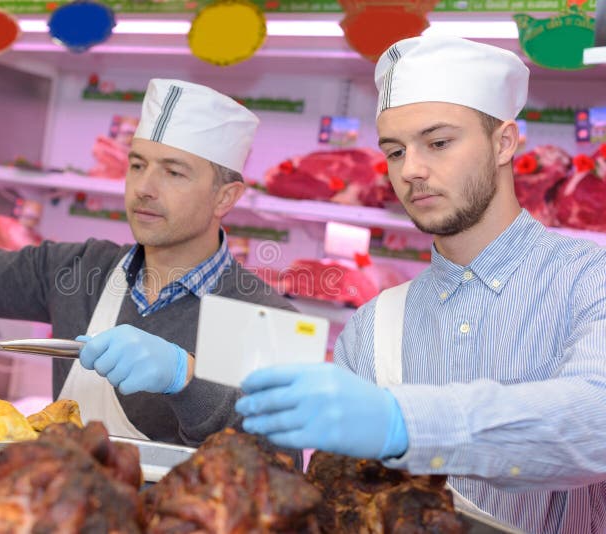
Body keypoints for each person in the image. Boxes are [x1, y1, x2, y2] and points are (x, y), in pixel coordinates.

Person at [235, 35, 606, 533]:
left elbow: (594, 422)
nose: (410, 170)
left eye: (438, 143)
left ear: (504, 143)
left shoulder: (590, 280)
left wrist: (400, 421)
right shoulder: (372, 327)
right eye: (394, 151)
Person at [0, 78, 296, 449]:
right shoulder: (82, 269)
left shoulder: (265, 317)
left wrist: (186, 378)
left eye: (174, 172)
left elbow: (276, 464)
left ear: (225, 197)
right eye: (138, 165)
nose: (144, 188)